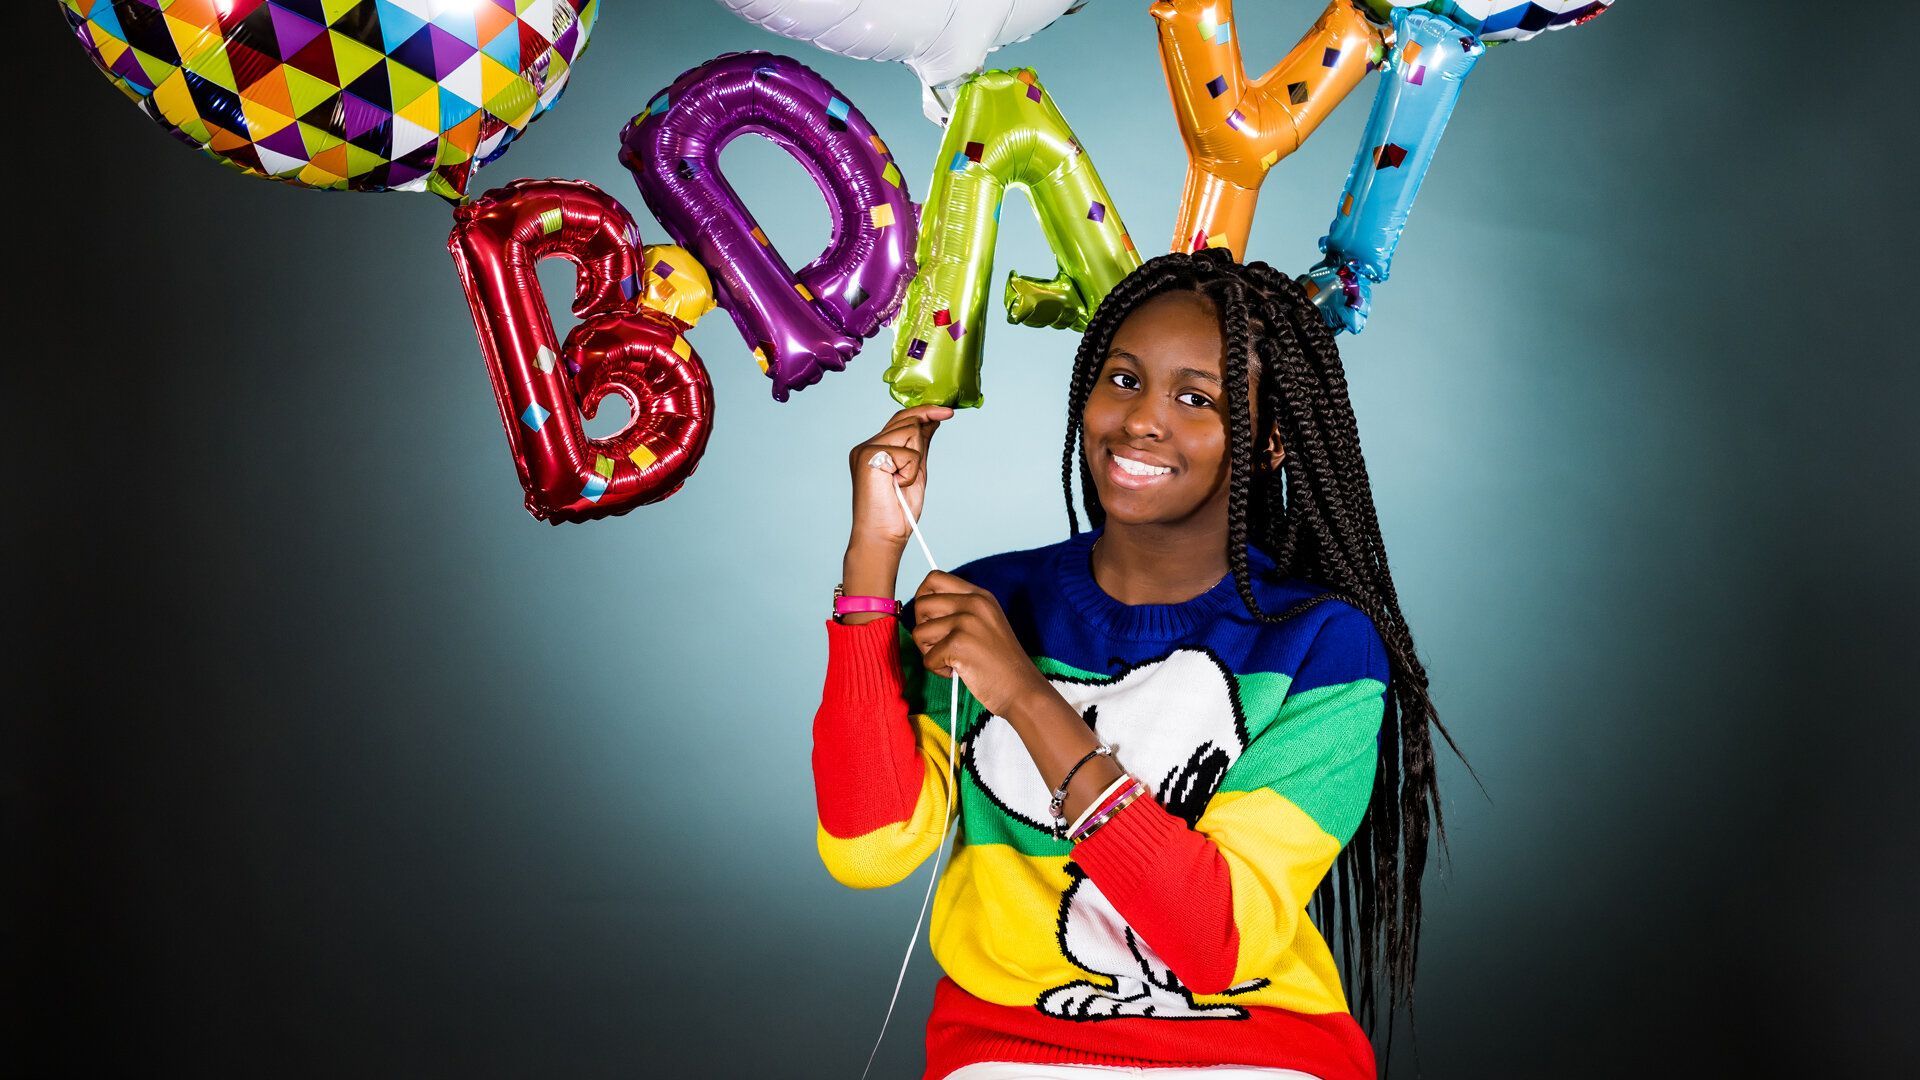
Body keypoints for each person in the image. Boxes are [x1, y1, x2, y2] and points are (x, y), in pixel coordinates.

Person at [811, 248, 1462, 1080]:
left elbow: (1214, 940)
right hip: (1015, 1058)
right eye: (1123, 380)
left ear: (1267, 442)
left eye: (1196, 398)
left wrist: (1022, 693)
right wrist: (873, 559)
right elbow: (867, 853)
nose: (1142, 420)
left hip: (1253, 1058)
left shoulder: (1321, 647)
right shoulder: (987, 604)